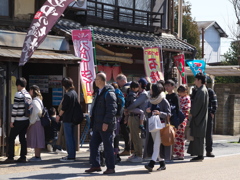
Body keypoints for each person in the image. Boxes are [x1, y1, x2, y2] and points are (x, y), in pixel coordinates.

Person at [85, 72, 117, 174]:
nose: (95, 81)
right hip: (97, 124)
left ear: (101, 80)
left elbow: (112, 109)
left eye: (96, 79)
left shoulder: (109, 92)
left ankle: (110, 167)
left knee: (108, 146)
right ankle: (96, 165)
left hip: (105, 125)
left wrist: (106, 122)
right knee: (93, 144)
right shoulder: (99, 92)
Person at [143, 83, 171, 172]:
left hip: (161, 125)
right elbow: (145, 112)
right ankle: (162, 163)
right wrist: (147, 111)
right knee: (156, 143)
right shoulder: (150, 100)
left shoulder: (163, 100)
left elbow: (168, 113)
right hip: (152, 124)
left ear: (155, 90)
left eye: (151, 89)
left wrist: (160, 113)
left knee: (156, 144)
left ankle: (151, 163)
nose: (150, 91)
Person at [3, 77, 31, 163]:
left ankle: (10, 156)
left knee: (11, 138)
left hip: (18, 120)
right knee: (23, 138)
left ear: (19, 85)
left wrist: (12, 121)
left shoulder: (18, 94)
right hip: (26, 120)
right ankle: (23, 156)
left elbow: (15, 108)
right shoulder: (28, 95)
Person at [56, 77, 79, 162]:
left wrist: (59, 115)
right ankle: (72, 154)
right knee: (72, 137)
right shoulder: (74, 93)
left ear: (64, 85)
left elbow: (64, 108)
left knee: (68, 138)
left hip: (68, 119)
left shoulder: (67, 94)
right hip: (74, 118)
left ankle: (71, 156)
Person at [126, 78, 149, 163]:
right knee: (133, 136)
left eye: (138, 83)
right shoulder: (137, 93)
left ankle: (139, 155)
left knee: (137, 136)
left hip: (138, 117)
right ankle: (136, 153)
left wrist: (127, 108)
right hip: (132, 116)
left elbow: (134, 104)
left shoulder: (143, 94)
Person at [187, 72, 209, 162]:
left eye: (196, 79)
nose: (195, 81)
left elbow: (197, 105)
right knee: (197, 135)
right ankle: (198, 154)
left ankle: (200, 155)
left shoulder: (202, 91)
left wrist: (192, 112)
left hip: (199, 117)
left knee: (199, 136)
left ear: (200, 80)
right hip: (200, 116)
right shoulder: (202, 90)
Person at [27, 85, 45, 161]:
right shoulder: (39, 100)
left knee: (36, 139)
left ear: (32, 91)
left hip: (35, 122)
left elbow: (36, 112)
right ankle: (37, 156)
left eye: (30, 90)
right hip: (39, 122)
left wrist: (30, 122)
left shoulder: (34, 101)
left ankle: (37, 156)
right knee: (38, 139)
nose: (29, 92)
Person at [173, 85, 191, 160]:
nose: (180, 93)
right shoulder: (179, 97)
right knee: (177, 136)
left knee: (181, 137)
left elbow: (186, 108)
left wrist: (179, 107)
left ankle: (181, 154)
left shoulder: (187, 98)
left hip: (183, 118)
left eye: (181, 91)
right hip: (178, 118)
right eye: (179, 91)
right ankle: (177, 153)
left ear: (185, 91)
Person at [116, 74, 132, 156]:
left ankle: (127, 149)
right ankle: (132, 148)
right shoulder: (131, 87)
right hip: (132, 113)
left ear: (122, 81)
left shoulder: (125, 89)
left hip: (125, 112)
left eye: (118, 82)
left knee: (125, 131)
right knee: (130, 131)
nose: (118, 84)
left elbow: (123, 102)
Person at [206, 86, 218, 157]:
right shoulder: (196, 90)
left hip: (208, 114)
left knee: (208, 133)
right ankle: (196, 151)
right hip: (199, 114)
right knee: (197, 133)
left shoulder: (210, 91)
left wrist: (213, 112)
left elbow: (214, 102)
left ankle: (209, 150)